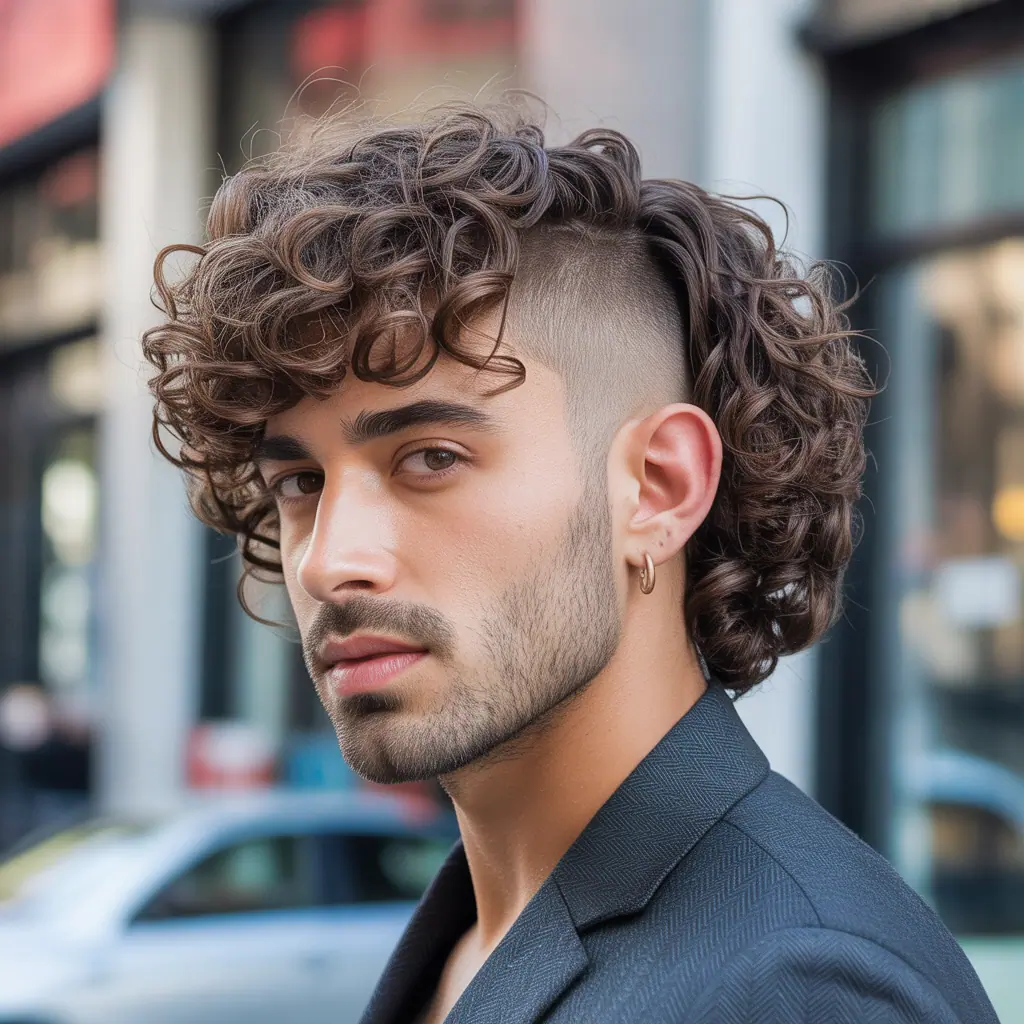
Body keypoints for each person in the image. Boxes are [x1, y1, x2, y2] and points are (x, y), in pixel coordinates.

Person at [142, 102, 998, 1023]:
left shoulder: (793, 985)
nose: (327, 563)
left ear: (659, 489)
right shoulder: (470, 934)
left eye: (431, 457)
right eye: (302, 480)